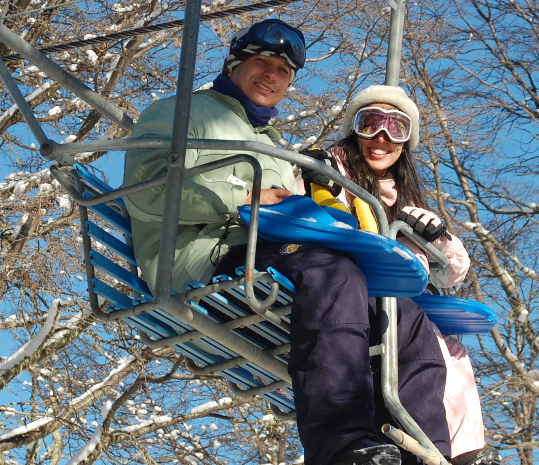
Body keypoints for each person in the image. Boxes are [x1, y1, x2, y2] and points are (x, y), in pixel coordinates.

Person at [122, 20, 449, 465]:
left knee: (405, 314)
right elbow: (145, 191)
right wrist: (244, 198)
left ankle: (429, 452)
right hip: (203, 257)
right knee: (333, 271)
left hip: (269, 258)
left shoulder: (271, 142)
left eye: (283, 70)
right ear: (235, 63)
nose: (272, 75)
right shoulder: (181, 112)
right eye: (262, 61)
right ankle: (342, 445)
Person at [300, 84, 502, 465]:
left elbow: (454, 271)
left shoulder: (407, 199)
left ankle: (459, 452)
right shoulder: (332, 170)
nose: (382, 138)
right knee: (416, 331)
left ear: (407, 141)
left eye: (396, 129)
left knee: (453, 350)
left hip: (395, 295)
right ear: (354, 129)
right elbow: (307, 212)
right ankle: (425, 446)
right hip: (351, 285)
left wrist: (438, 239)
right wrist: (314, 178)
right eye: (370, 123)